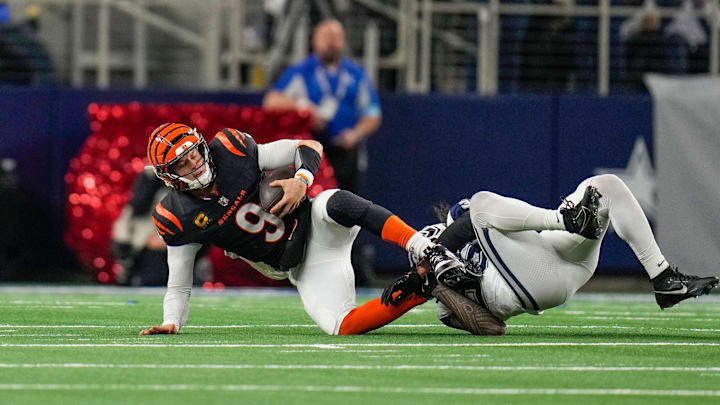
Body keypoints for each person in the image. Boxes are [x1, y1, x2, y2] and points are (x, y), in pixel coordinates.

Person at [138, 123, 460, 336]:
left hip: (314, 223)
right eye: (182, 163)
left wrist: (300, 181)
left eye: (193, 152)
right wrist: (171, 322)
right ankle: (421, 286)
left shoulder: (230, 149)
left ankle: (422, 245)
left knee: (337, 201)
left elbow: (308, 147)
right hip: (299, 265)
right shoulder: (176, 214)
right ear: (169, 176)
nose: (194, 163)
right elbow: (179, 285)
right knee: (341, 326)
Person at [382, 174, 719, 335]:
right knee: (481, 203)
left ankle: (663, 278)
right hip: (530, 284)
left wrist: (430, 262)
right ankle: (567, 220)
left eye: (429, 249)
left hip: (555, 251)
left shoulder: (460, 225)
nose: (428, 257)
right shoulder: (442, 299)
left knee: (604, 187)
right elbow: (493, 328)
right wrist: (438, 286)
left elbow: (468, 222)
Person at [262, 19, 380, 194]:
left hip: (346, 151)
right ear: (315, 41)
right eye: (326, 37)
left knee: (348, 207)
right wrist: (302, 107)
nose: (332, 43)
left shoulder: (355, 74)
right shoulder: (302, 72)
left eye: (336, 37)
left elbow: (373, 113)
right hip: (311, 151)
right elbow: (271, 102)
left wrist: (355, 134)